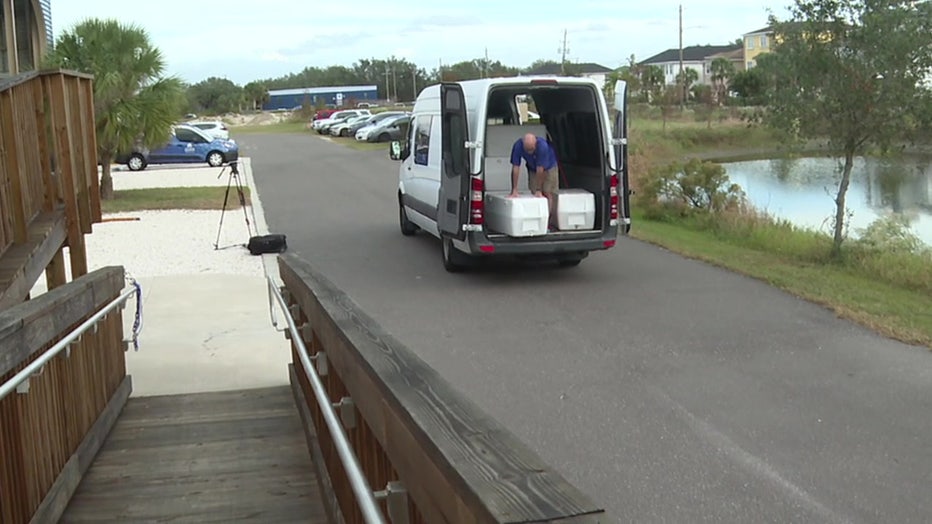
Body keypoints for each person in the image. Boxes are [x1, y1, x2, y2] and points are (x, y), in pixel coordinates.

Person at [508, 133, 559, 228]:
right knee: (533, 192)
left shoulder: (542, 147)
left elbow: (541, 169)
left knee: (547, 192)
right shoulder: (518, 146)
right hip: (532, 167)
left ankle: (548, 220)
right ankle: (536, 218)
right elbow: (515, 168)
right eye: (527, 150)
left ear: (535, 144)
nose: (529, 152)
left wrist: (539, 189)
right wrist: (514, 189)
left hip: (549, 166)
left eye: (531, 149)